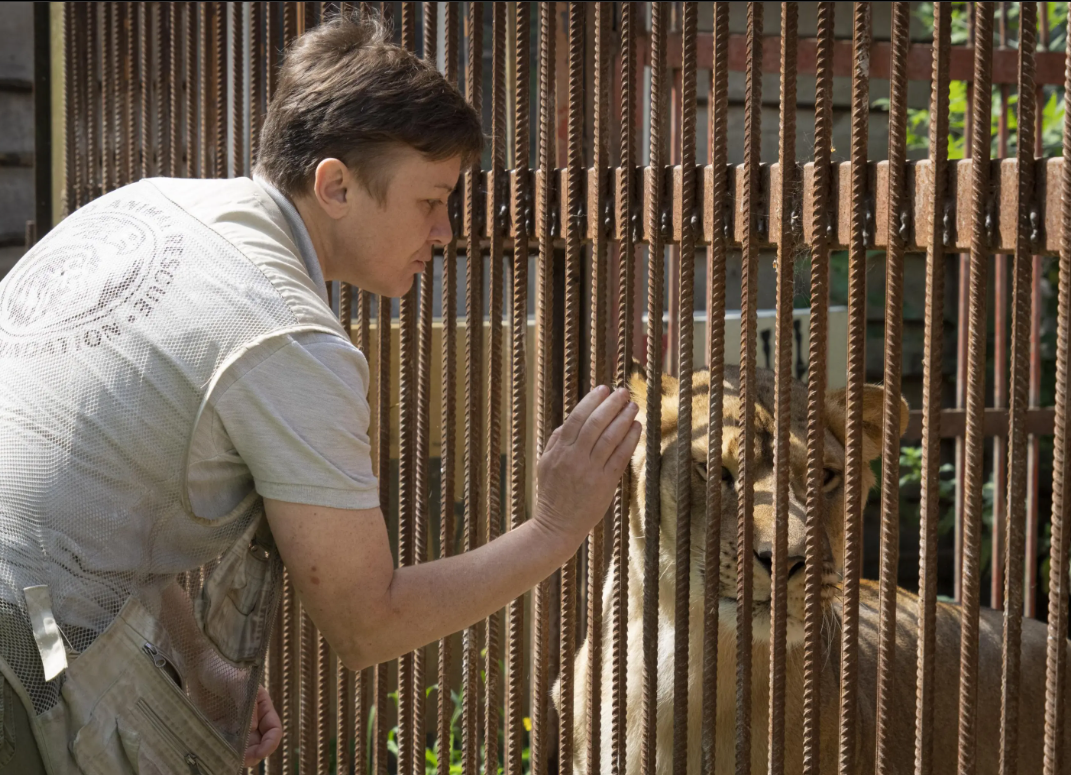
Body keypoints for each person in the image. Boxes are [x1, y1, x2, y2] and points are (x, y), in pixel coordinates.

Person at [0, 12, 640, 773]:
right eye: (430, 200)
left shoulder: (145, 207)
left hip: (31, 621)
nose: (445, 231)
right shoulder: (287, 336)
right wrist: (553, 530)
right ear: (335, 185)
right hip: (22, 650)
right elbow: (367, 624)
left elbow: (89, 498)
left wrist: (198, 660)